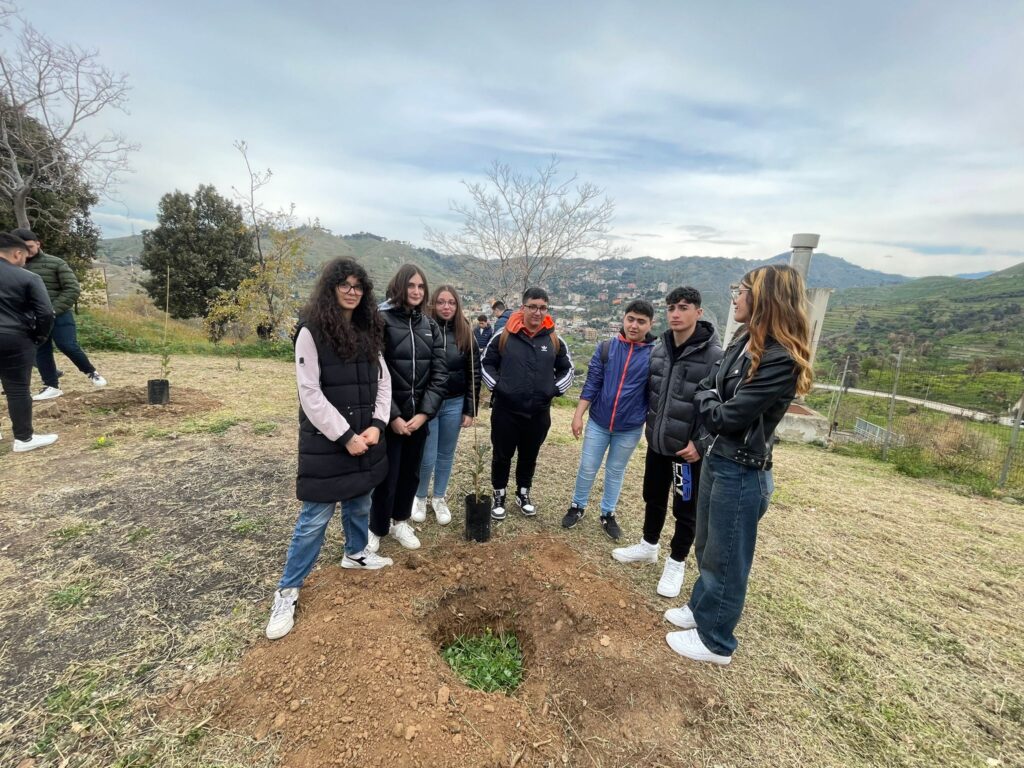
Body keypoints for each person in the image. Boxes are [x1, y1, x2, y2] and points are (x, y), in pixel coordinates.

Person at [664, 264, 812, 665]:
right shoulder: (745, 340)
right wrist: (712, 398)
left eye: (742, 290)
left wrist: (711, 399)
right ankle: (700, 611)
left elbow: (728, 416)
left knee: (728, 558)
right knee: (708, 545)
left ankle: (716, 642)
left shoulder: (780, 359)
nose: (735, 297)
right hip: (720, 458)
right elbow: (708, 388)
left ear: (764, 299)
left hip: (743, 470)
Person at [264, 258, 394, 639]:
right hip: (327, 441)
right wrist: (345, 436)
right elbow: (310, 394)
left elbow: (383, 382)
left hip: (365, 435)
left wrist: (376, 425)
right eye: (345, 285)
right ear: (331, 288)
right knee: (314, 519)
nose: (352, 292)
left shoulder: (370, 328)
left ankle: (356, 553)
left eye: (358, 286)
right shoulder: (311, 331)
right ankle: (288, 591)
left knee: (360, 500)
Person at [612, 287, 723, 600]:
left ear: (698, 312)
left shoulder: (714, 356)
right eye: (672, 307)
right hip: (657, 443)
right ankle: (648, 546)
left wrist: (701, 442)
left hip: (686, 454)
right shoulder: (659, 349)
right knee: (653, 496)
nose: (676, 313)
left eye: (684, 307)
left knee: (685, 507)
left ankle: (676, 562)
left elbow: (723, 404)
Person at [368, 264, 447, 552]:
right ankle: (376, 527)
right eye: (411, 286)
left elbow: (440, 374)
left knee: (410, 474)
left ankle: (400, 520)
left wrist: (424, 414)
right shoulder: (381, 320)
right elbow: (373, 372)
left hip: (419, 419)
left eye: (421, 287)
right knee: (386, 476)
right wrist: (393, 416)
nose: (416, 291)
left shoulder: (429, 326)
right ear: (399, 287)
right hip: (388, 419)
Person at [562, 300, 656, 540]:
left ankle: (608, 513)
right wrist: (578, 415)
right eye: (631, 319)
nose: (634, 325)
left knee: (615, 471)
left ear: (650, 324)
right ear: (624, 319)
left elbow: (654, 394)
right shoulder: (606, 348)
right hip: (599, 422)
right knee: (587, 466)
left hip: (630, 427)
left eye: (641, 321)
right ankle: (577, 506)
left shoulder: (655, 356)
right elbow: (592, 383)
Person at [482, 287, 573, 519]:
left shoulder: (554, 338)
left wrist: (552, 391)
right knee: (502, 455)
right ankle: (499, 495)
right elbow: (485, 363)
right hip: (505, 411)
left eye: (542, 307)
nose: (537, 312)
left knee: (529, 455)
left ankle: (523, 493)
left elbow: (567, 369)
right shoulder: (504, 335)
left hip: (538, 412)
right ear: (523, 308)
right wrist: (499, 387)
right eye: (532, 306)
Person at [12, 229, 107, 400]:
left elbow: (72, 289)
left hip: (59, 314)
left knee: (68, 345)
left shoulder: (56, 263)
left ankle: (91, 372)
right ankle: (51, 385)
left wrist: (53, 309)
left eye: (30, 246)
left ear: (38, 244)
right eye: (22, 248)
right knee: (41, 350)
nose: (27, 251)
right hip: (32, 318)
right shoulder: (14, 267)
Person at [413, 285, 481, 525]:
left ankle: (439, 497)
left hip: (455, 402)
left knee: (445, 455)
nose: (446, 307)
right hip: (429, 404)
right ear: (433, 304)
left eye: (451, 302)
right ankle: (420, 496)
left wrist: (470, 409)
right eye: (441, 302)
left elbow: (474, 373)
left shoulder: (466, 333)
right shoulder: (423, 329)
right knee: (427, 455)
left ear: (457, 305)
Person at [0, 233, 57, 452]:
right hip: (14, 337)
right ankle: (24, 438)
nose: (26, 261)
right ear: (17, 253)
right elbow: (46, 313)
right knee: (17, 389)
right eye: (24, 256)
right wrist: (39, 337)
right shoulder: (27, 278)